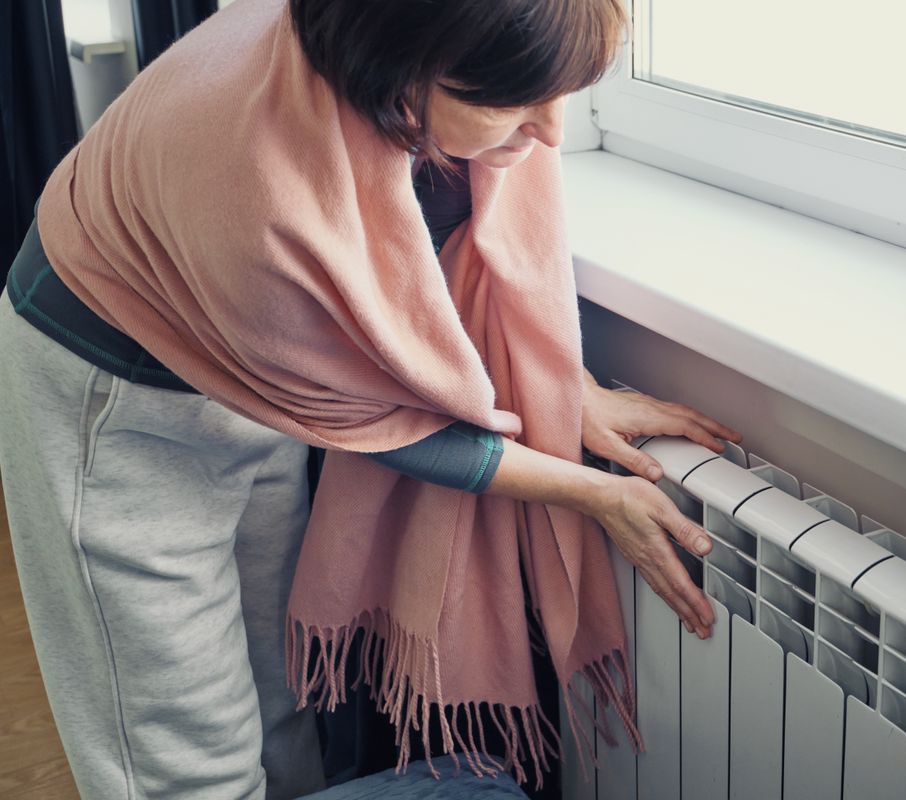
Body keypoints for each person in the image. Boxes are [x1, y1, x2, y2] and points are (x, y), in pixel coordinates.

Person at [0, 0, 740, 798]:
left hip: (249, 359)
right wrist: (596, 492)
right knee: (176, 751)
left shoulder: (399, 57)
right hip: (117, 397)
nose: (552, 133)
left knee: (276, 690)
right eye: (513, 102)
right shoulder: (265, 195)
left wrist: (568, 387)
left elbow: (407, 314)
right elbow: (394, 427)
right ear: (401, 79)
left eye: (565, 93)